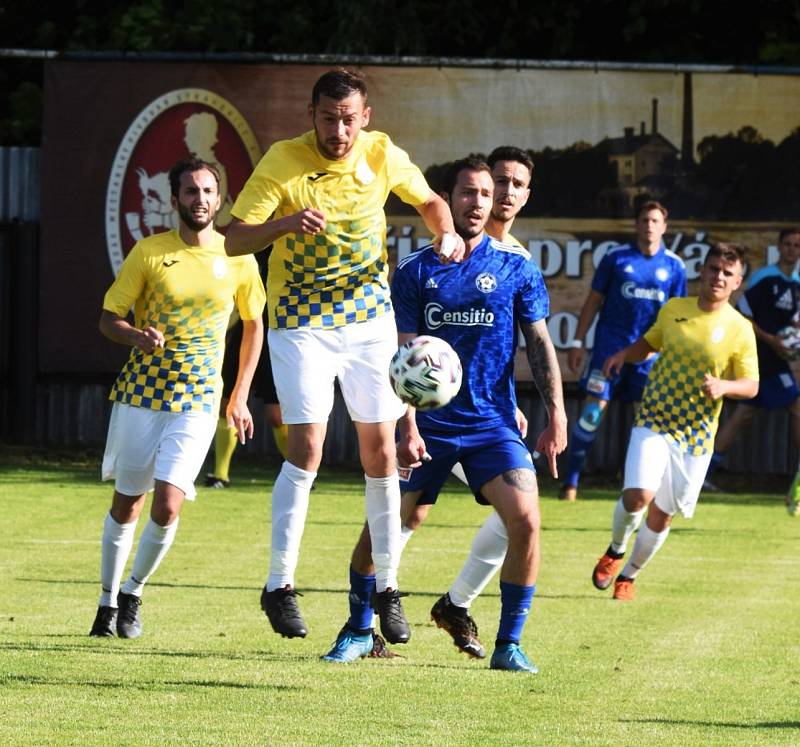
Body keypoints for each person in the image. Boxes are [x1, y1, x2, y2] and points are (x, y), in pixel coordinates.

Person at [224, 69, 464, 642]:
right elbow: (234, 238)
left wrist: (447, 232)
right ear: (313, 115)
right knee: (307, 446)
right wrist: (283, 224)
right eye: (328, 119)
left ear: (366, 117)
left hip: (368, 322)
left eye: (349, 119)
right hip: (301, 322)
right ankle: (278, 585)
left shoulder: (381, 154)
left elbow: (430, 201)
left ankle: (387, 587)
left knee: (381, 452)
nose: (339, 130)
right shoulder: (283, 160)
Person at [322, 156, 567, 673]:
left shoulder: (516, 267)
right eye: (468, 193)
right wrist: (406, 425)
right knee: (389, 524)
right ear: (447, 200)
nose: (478, 202)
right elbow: (401, 357)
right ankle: (359, 629)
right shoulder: (415, 271)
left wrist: (556, 416)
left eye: (485, 194)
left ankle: (510, 645)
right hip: (426, 425)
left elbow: (540, 344)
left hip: (491, 425)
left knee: (525, 519)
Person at [89, 157, 266, 638]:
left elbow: (254, 326)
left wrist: (240, 394)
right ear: (174, 201)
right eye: (191, 192)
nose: (201, 199)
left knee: (168, 504)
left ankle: (133, 593)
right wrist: (136, 337)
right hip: (141, 395)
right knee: (127, 504)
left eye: (209, 191)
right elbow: (110, 318)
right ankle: (105, 602)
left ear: (221, 198)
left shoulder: (239, 256)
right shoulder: (149, 252)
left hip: (198, 399)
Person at [591, 243, 758, 601]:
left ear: (737, 281)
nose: (718, 276)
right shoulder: (674, 309)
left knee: (663, 515)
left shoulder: (740, 328)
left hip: (696, 434)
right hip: (655, 417)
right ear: (703, 270)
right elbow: (650, 343)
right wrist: (624, 355)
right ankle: (616, 550)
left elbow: (751, 385)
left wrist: (724, 385)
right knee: (638, 495)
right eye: (713, 268)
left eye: (727, 273)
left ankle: (630, 576)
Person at [561, 201, 687, 501]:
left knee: (647, 426)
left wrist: (674, 356)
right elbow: (592, 302)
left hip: (650, 357)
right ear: (636, 224)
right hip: (608, 353)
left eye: (655, 220)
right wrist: (578, 342)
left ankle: (642, 488)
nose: (649, 225)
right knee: (592, 415)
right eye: (644, 219)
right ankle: (570, 483)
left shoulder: (674, 266)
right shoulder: (616, 259)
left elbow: (678, 317)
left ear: (664, 227)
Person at [703, 228, 800, 493]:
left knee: (745, 414)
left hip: (777, 358)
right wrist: (770, 339)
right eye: (788, 244)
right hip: (757, 354)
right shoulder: (765, 278)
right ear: (779, 247)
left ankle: (705, 470)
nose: (792, 249)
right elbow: (742, 314)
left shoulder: (797, 282)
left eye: (797, 245)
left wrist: (791, 342)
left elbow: (792, 323)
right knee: (793, 405)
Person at [204, 312, 288, 488]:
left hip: (277, 331)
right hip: (243, 333)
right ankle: (220, 475)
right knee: (227, 404)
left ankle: (296, 471)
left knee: (277, 414)